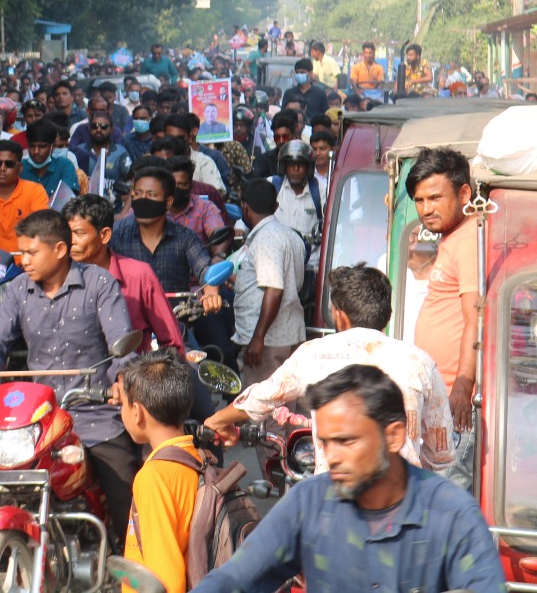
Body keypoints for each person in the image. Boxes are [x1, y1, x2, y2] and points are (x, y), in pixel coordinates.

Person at [190, 365, 505, 593]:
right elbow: (236, 578)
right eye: (326, 443)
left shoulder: (452, 514)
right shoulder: (308, 503)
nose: (332, 456)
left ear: (394, 436)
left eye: (347, 441)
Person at [0, 211, 141, 550]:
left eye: (31, 252)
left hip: (95, 414)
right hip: (39, 419)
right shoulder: (18, 289)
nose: (23, 261)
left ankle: (132, 564)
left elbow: (121, 343)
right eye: (21, 253)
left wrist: (121, 382)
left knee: (126, 497)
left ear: (59, 249)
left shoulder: (99, 283)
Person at [205, 265, 453, 473]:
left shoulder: (315, 353)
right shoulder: (420, 362)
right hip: (402, 498)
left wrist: (218, 420)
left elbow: (264, 396)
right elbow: (440, 454)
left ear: (340, 315)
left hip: (333, 498)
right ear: (387, 315)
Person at [406, 147, 479, 487]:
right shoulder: (453, 238)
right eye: (419, 200)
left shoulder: (469, 239)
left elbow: (475, 317)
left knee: (444, 497)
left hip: (456, 399)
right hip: (441, 394)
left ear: (464, 193)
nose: (426, 209)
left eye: (435, 198)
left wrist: (463, 386)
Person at [119, 350, 200, 593]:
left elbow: (166, 582)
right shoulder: (197, 458)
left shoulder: (154, 478)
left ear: (137, 412)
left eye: (122, 404)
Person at [63, 195, 183, 352]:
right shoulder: (56, 278)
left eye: (79, 233)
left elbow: (172, 344)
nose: (70, 241)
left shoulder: (139, 276)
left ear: (104, 235)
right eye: (66, 233)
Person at [232, 180, 305, 389]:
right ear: (275, 206)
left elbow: (275, 288)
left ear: (244, 207)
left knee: (263, 403)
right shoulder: (291, 235)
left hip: (268, 342)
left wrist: (258, 338)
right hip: (286, 334)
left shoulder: (266, 239)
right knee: (283, 402)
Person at [110, 167, 218, 296]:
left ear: (168, 202)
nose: (143, 200)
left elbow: (204, 269)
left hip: (174, 308)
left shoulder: (186, 238)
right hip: (128, 308)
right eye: (138, 194)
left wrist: (211, 290)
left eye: (151, 195)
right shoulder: (117, 237)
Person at [271, 140, 321, 245]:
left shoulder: (320, 190)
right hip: (277, 251)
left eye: (301, 165)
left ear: (309, 168)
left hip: (311, 254)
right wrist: (241, 227)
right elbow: (254, 207)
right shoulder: (272, 184)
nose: (296, 169)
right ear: (284, 167)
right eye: (291, 164)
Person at [166, 156, 225, 238]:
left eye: (182, 184)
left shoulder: (205, 208)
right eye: (172, 184)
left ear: (191, 185)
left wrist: (218, 244)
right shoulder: (155, 208)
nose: (176, 188)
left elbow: (218, 236)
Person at [20, 120, 78, 198]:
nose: (36, 151)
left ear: (52, 146)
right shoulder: (19, 167)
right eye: (32, 146)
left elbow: (67, 199)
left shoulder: (64, 166)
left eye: (42, 146)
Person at [310, 129, 335, 202]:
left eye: (322, 149)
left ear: (333, 150)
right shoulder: (306, 174)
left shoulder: (342, 172)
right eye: (314, 149)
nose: (318, 153)